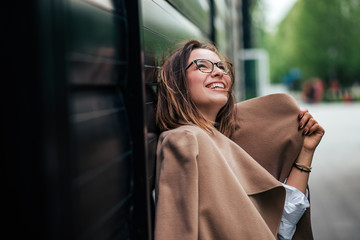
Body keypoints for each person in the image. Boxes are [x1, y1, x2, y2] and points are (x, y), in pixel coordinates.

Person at [154, 40, 325, 240]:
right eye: (202, 66)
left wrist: (306, 151)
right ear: (177, 80)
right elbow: (176, 230)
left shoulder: (218, 140)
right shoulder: (184, 140)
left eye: (221, 67)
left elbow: (278, 225)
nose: (218, 72)